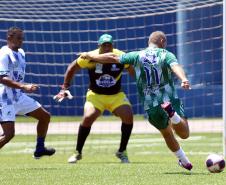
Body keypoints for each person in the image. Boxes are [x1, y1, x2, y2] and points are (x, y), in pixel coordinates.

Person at [80, 31, 193, 171]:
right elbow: (175, 66)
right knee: (184, 134)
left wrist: (91, 56)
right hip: (169, 97)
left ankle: (184, 160)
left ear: (149, 42)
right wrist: (183, 79)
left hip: (150, 103)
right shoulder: (166, 54)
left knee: (167, 133)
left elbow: (113, 57)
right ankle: (172, 114)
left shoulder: (137, 55)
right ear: (163, 42)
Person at [54, 34, 134, 163]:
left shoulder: (120, 56)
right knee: (88, 117)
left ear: (113, 45)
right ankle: (78, 152)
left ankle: (122, 151)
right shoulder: (89, 57)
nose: (107, 47)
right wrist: (65, 87)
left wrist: (141, 82)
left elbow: (131, 69)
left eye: (109, 44)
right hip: (95, 95)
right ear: (99, 46)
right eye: (104, 45)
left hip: (116, 96)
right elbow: (72, 68)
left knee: (128, 115)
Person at [0, 27, 55, 159]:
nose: (21, 41)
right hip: (4, 98)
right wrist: (24, 86)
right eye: (18, 38)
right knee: (8, 135)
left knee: (45, 117)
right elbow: (2, 78)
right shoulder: (4, 54)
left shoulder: (21, 53)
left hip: (18, 96)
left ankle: (40, 149)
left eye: (22, 38)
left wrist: (22, 88)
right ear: (9, 38)